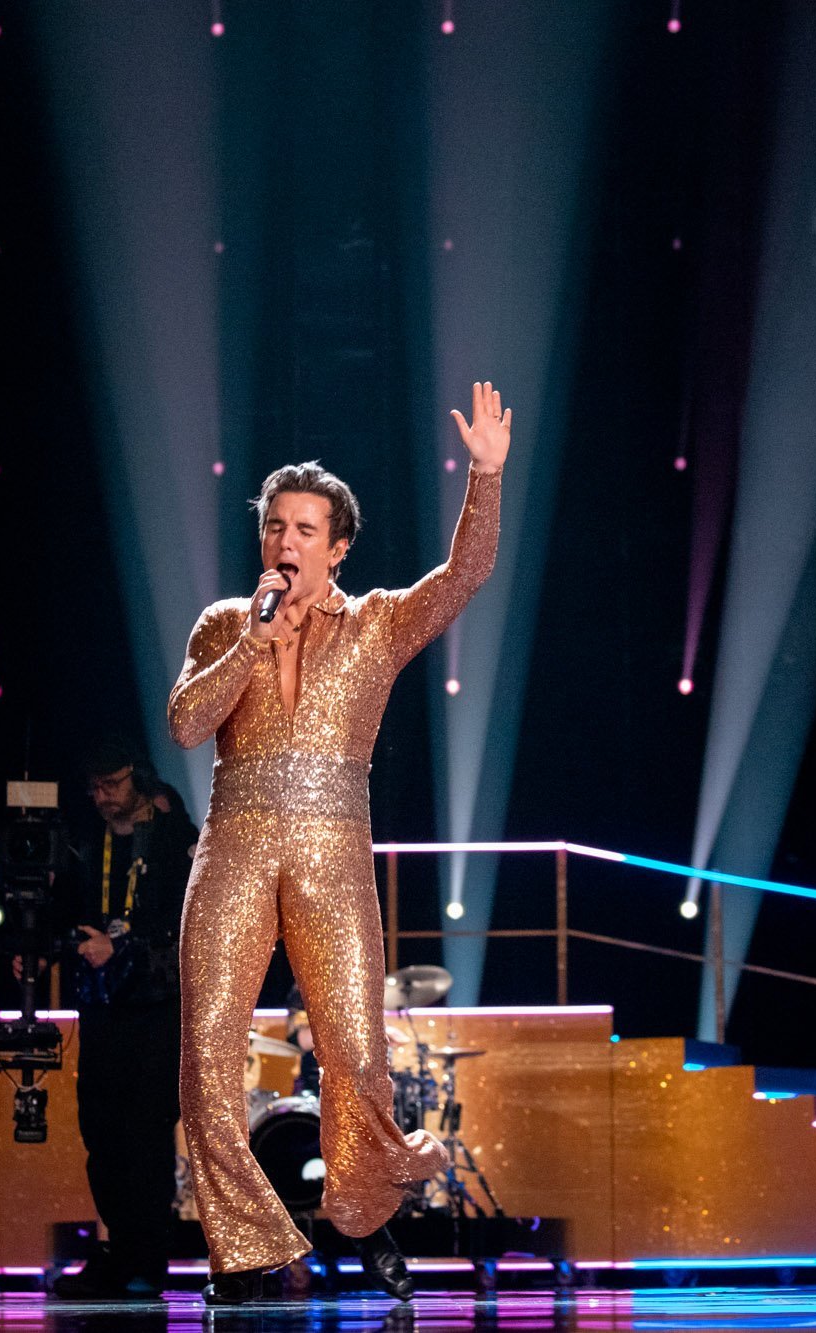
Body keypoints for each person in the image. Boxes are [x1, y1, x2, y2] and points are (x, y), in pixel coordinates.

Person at [169, 381, 512, 1304]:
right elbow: (186, 723)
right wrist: (253, 640)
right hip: (234, 848)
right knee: (206, 1054)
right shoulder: (224, 623)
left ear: (339, 545)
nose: (286, 540)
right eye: (275, 525)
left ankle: (362, 1213)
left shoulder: (377, 623)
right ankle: (248, 1247)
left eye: (305, 528)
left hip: (332, 851)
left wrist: (485, 478)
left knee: (357, 1057)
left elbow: (465, 575)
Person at [43, 742, 199, 1299]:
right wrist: (42, 949)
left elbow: (188, 927)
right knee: (101, 1132)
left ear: (137, 778)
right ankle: (118, 1252)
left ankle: (146, 1259)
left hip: (156, 1006)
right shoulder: (87, 839)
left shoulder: (176, 838)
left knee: (146, 1134)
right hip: (102, 1005)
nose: (101, 797)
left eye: (111, 784)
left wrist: (123, 948)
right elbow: (65, 911)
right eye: (94, 788)